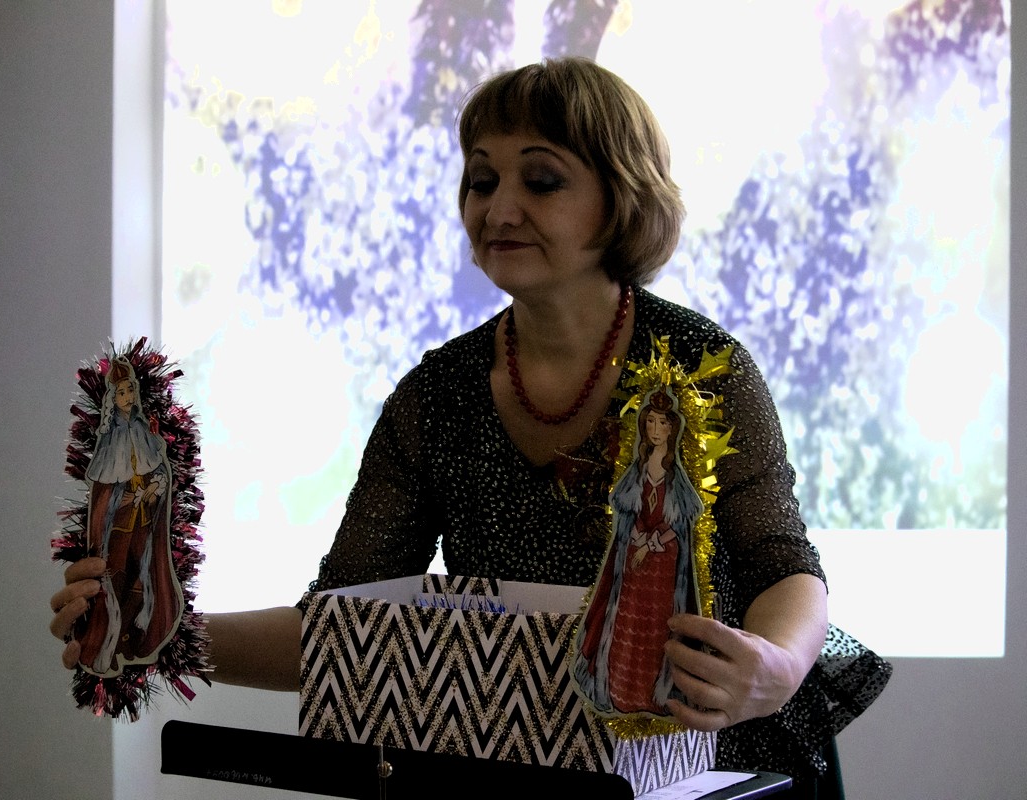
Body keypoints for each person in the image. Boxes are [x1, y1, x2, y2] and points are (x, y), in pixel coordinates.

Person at [50, 56, 889, 796]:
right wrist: (158, 635)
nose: (499, 208)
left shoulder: (704, 366)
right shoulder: (435, 396)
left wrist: (776, 666)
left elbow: (785, 567)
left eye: (542, 180)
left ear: (621, 198)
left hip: (714, 772)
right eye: (482, 181)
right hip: (519, 779)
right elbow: (340, 630)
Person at [570, 385, 704, 718]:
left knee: (657, 629)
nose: (656, 429)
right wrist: (640, 542)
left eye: (663, 423)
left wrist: (654, 543)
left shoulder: (676, 476)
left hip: (664, 568)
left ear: (672, 428)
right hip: (633, 564)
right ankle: (622, 692)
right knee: (626, 623)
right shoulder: (638, 470)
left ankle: (654, 696)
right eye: (651, 422)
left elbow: (680, 521)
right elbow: (628, 514)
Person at [74, 357, 183, 677]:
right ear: (113, 398)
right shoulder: (109, 439)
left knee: (143, 578)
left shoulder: (141, 429)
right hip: (118, 528)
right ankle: (108, 646)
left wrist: (155, 488)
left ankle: (136, 638)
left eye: (130, 391)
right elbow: (105, 490)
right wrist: (126, 499)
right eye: (121, 392)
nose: (127, 397)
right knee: (115, 581)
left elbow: (157, 470)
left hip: (145, 524)